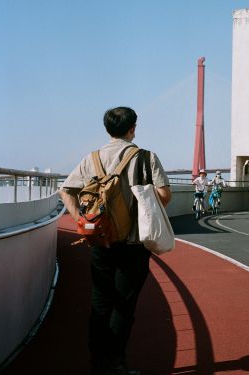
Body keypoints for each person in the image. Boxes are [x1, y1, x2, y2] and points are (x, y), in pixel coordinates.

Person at [59, 107, 171, 375]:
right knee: (124, 306)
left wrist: (83, 223)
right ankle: (116, 365)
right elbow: (165, 196)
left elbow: (66, 191)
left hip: (100, 242)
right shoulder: (146, 158)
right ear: (133, 128)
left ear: (107, 129)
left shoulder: (92, 158)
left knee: (100, 302)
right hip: (133, 245)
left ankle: (97, 365)